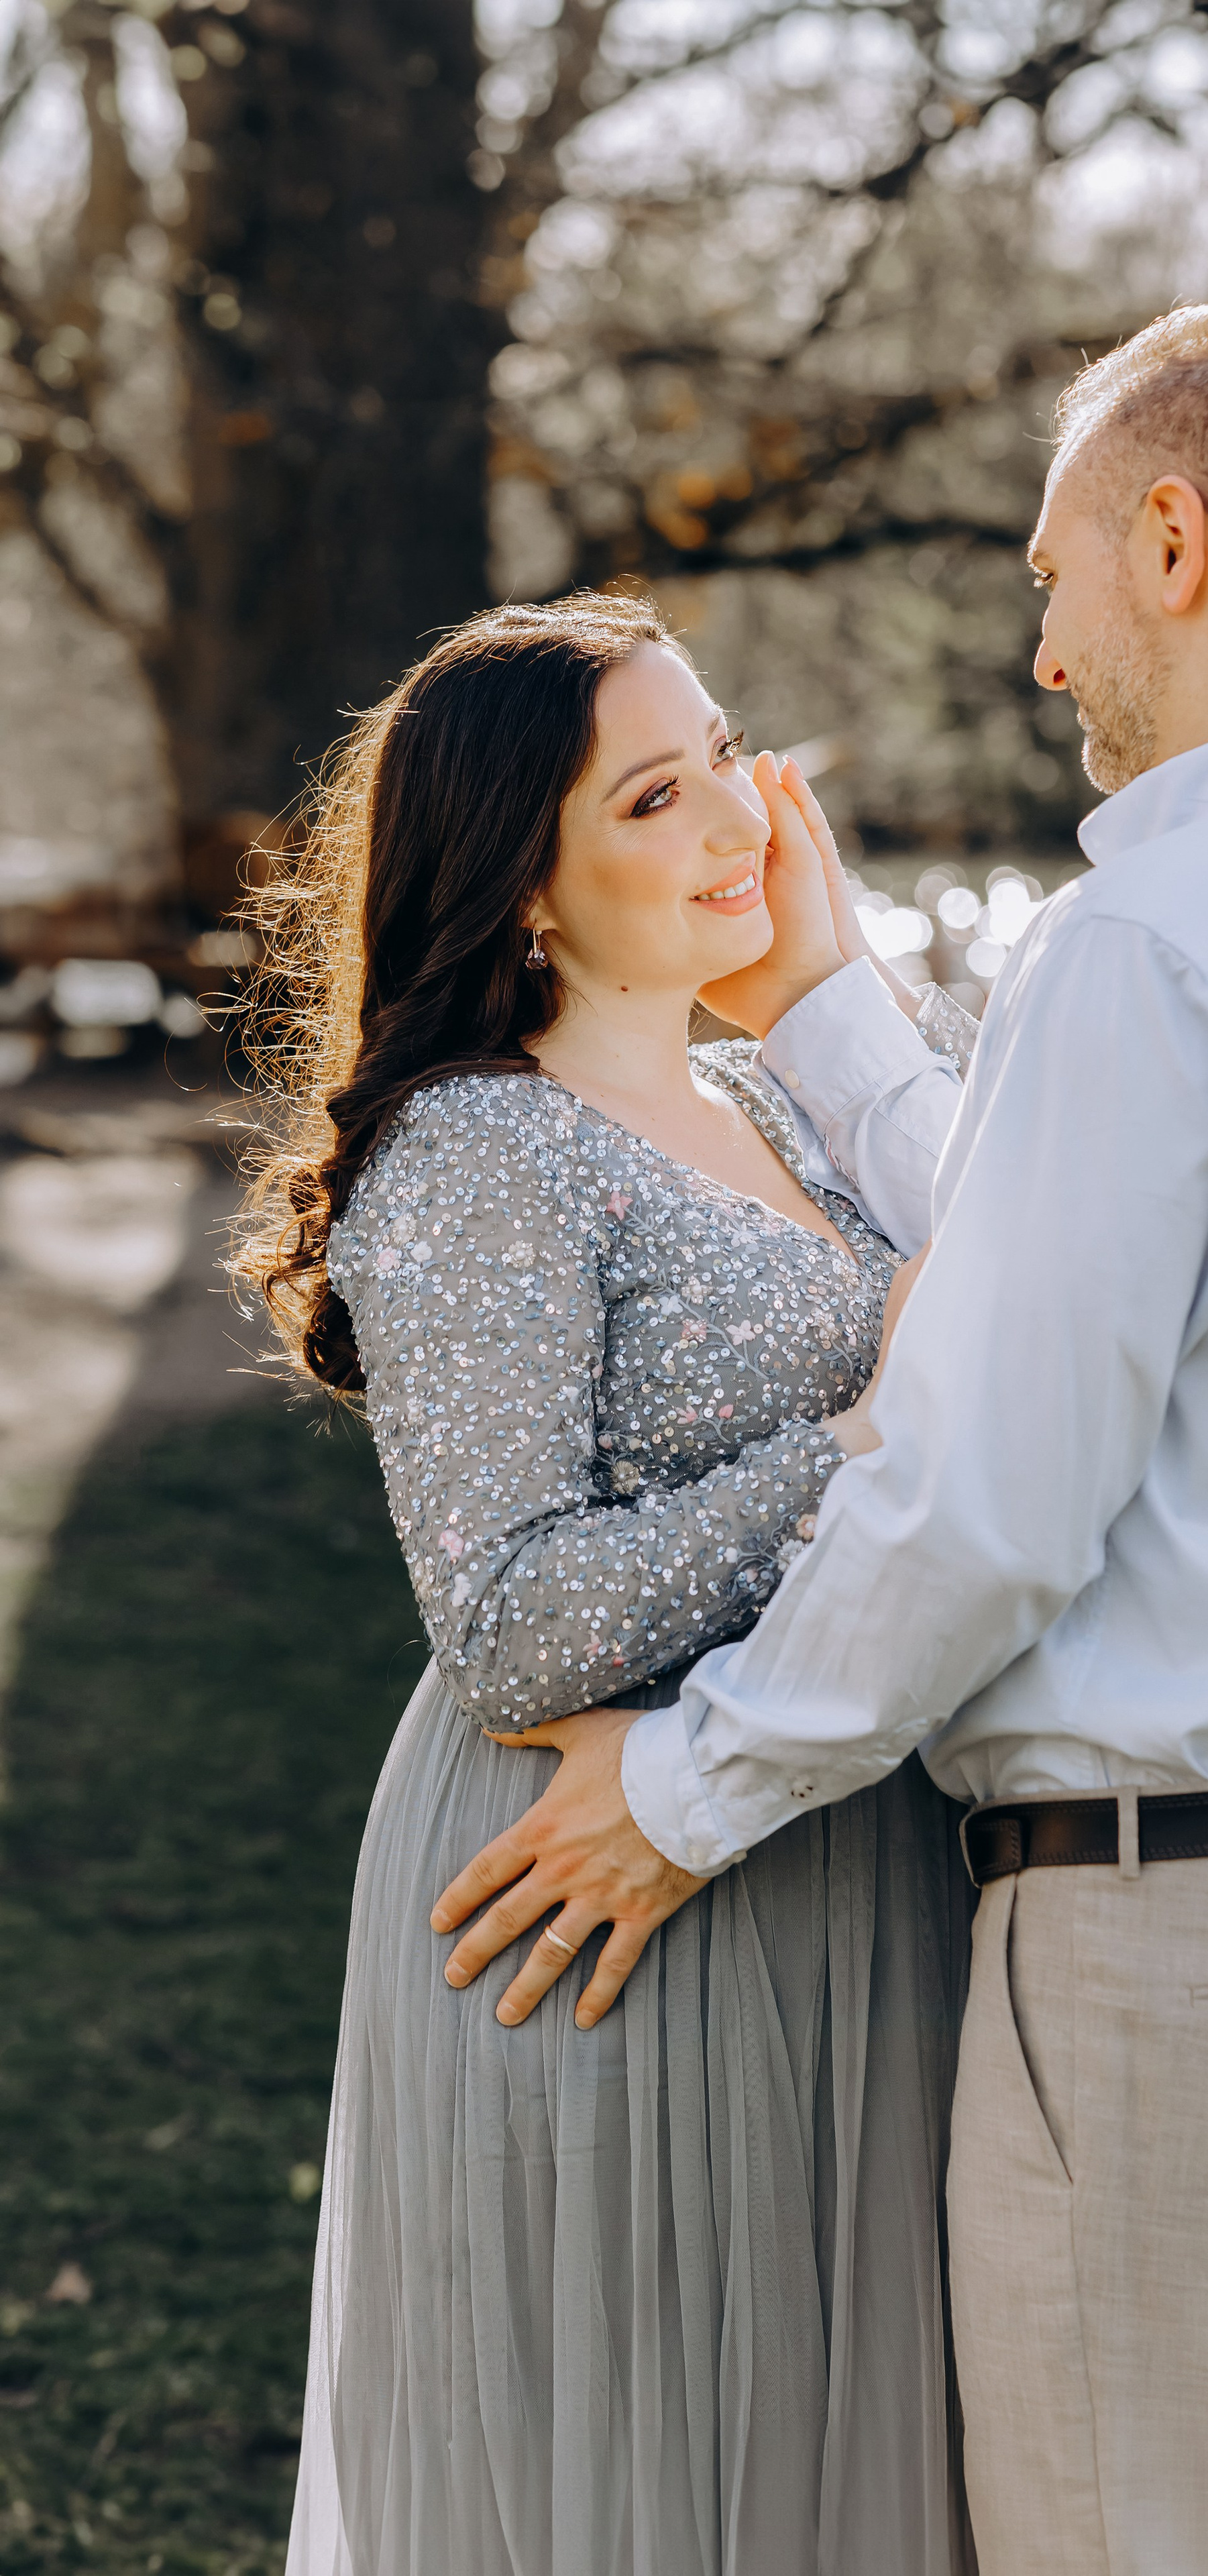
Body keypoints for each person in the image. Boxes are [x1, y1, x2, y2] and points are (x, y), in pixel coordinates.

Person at [449, 297, 1208, 2575]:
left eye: (1057, 574)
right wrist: (851, 1021)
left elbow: (988, 1493)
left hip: (1203, 1958)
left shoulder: (1151, 940)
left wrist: (686, 1792)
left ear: (1172, 539)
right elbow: (1101, 1279)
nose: (1048, 651)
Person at [236, 592, 984, 2575]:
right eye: (657, 796)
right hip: (596, 1903)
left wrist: (826, 987)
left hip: (820, 1856)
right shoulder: (486, 1148)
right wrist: (853, 1445)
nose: (737, 815)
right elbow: (506, 1624)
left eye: (724, 752)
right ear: (530, 893)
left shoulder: (750, 1106)